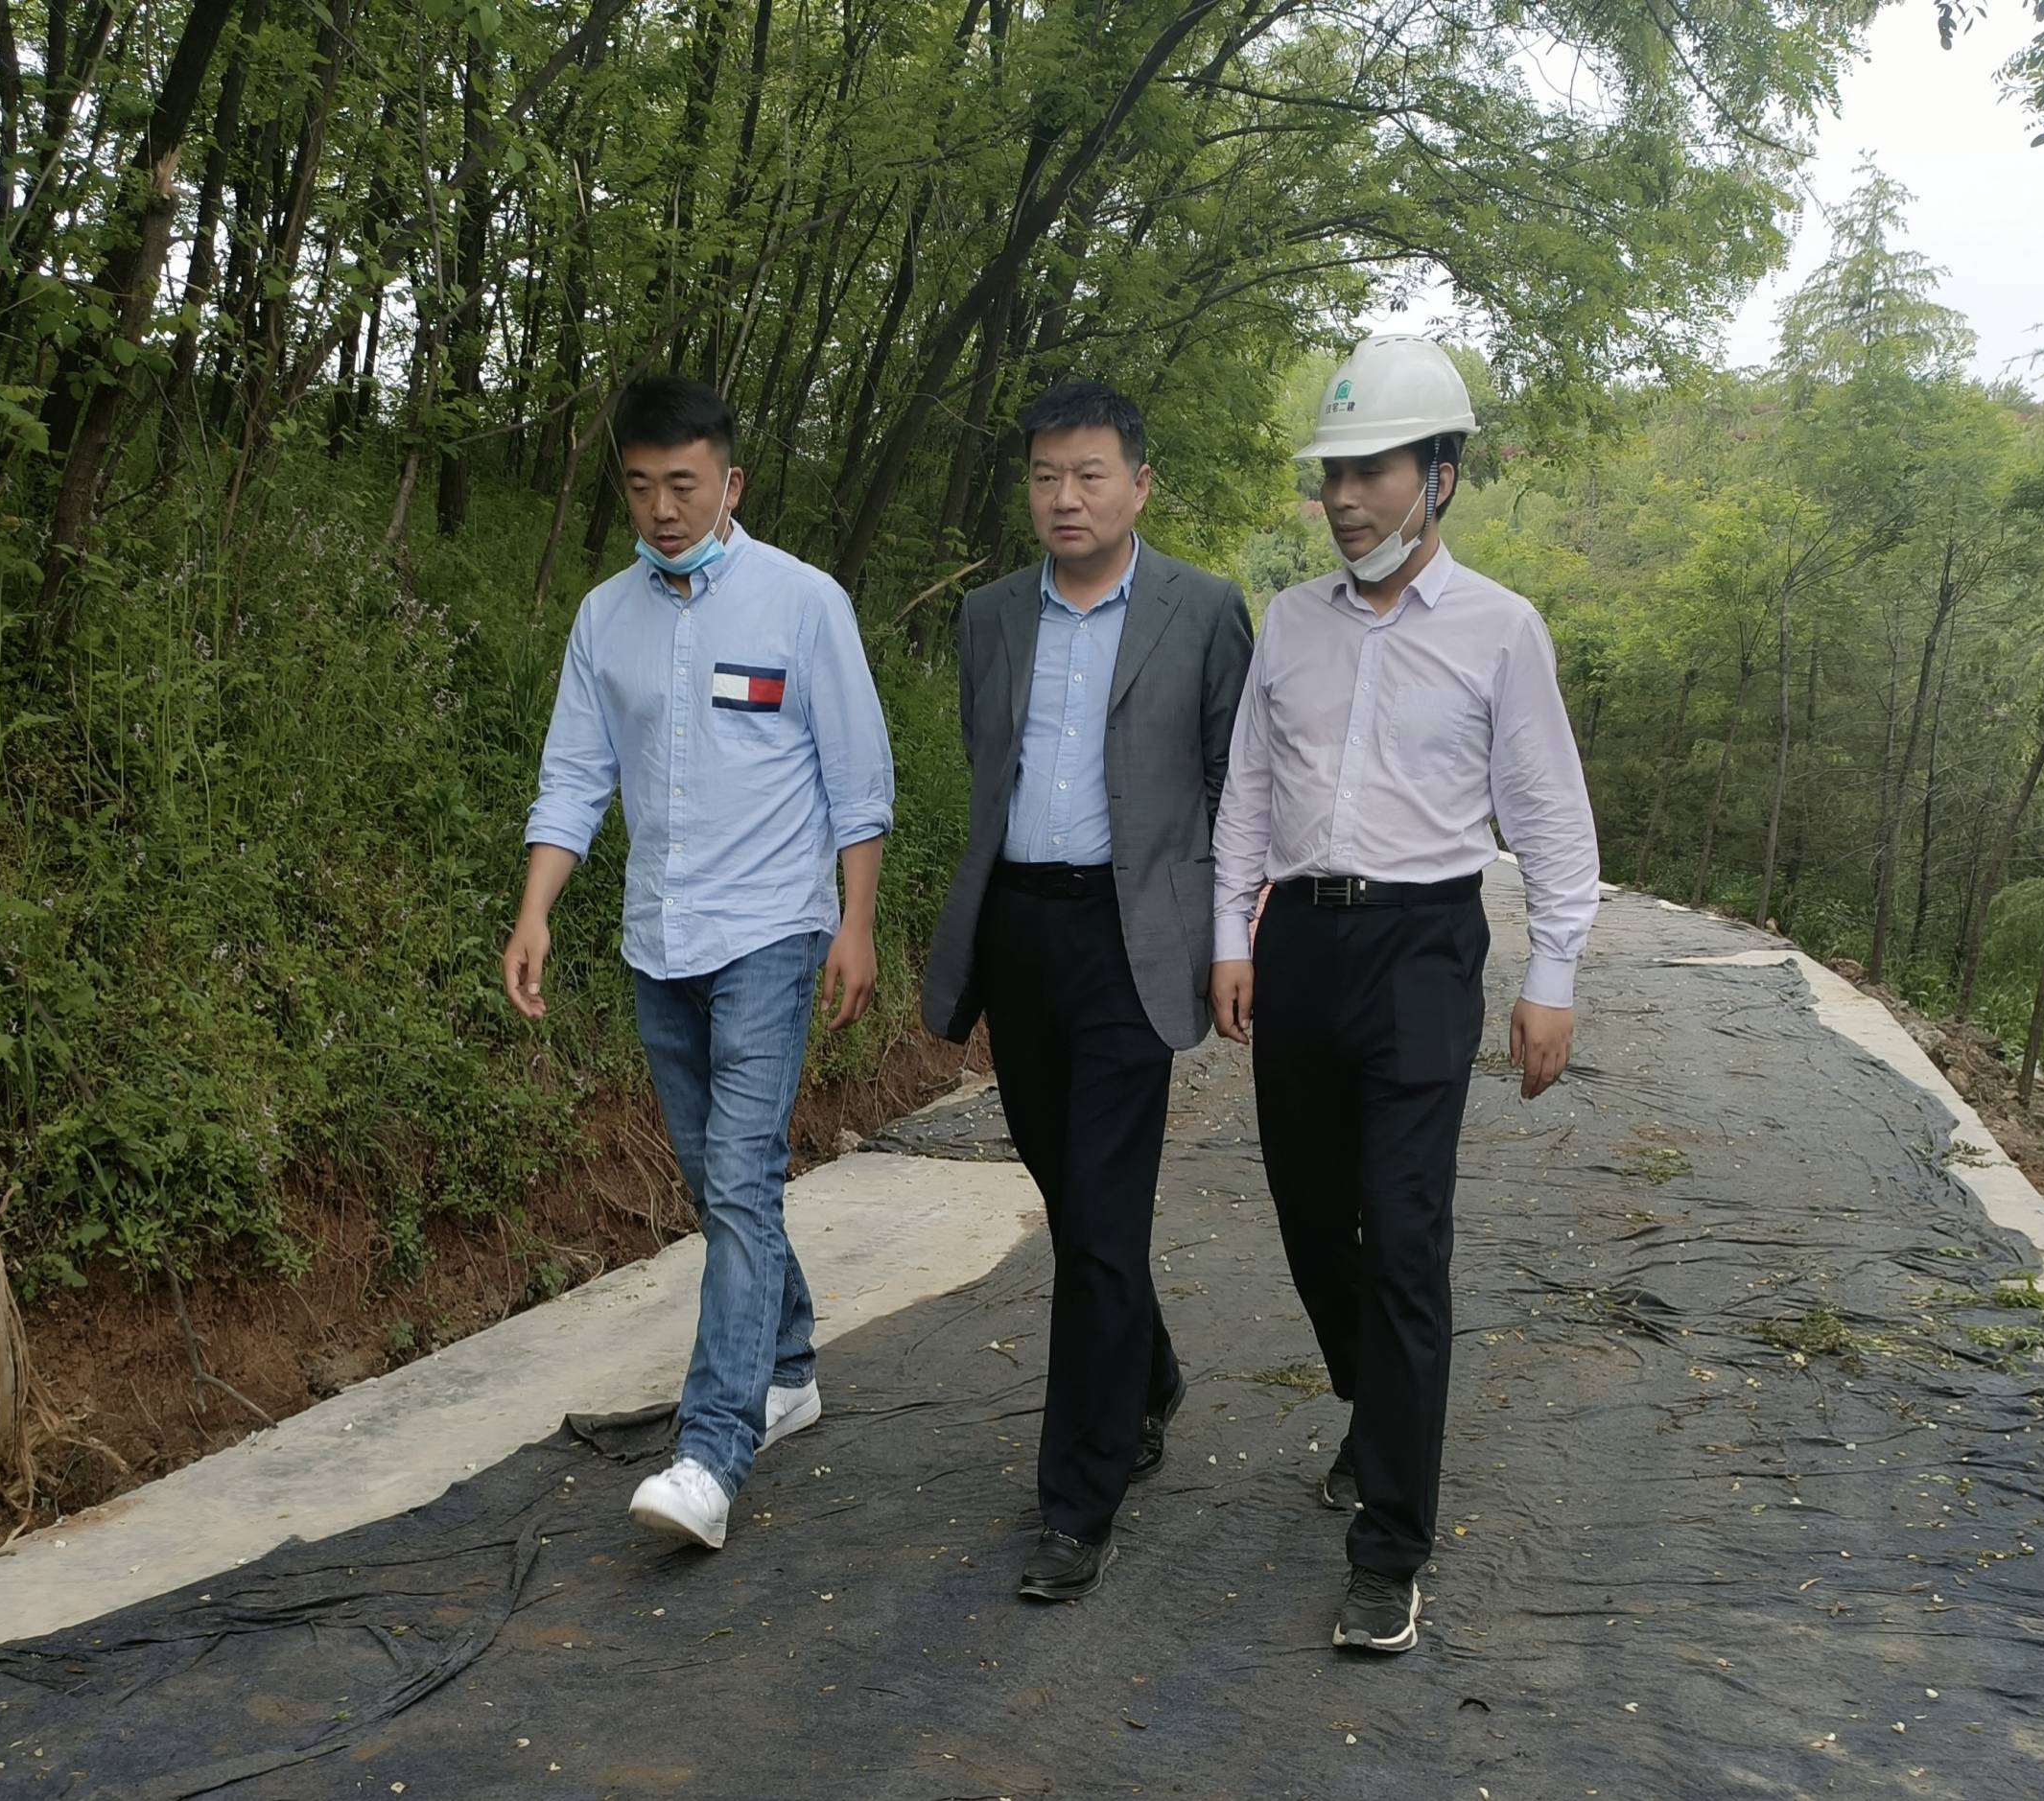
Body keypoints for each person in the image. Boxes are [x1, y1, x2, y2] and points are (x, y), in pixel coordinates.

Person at [1209, 336, 1599, 1653]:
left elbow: (1551, 817)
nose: (1343, 498)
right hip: (1301, 947)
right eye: (1331, 475)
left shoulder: (1500, 629)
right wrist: (1230, 934)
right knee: (1314, 1219)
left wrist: (1551, 976)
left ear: (1439, 474)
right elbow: (1246, 792)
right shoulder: (1290, 623)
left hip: (1425, 947)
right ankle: (1377, 1410)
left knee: (1407, 1231)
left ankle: (1390, 1546)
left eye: (1369, 472)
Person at [502, 374, 894, 1553]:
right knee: (722, 1182)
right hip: (657, 940)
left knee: (738, 1179)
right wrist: (534, 912)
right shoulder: (603, 619)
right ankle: (789, 1365)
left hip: (770, 930)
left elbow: (857, 778)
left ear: (731, 482)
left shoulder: (803, 603)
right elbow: (574, 776)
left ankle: (712, 1453)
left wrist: (856, 923)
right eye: (640, 487)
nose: (662, 509)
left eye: (684, 484)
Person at [922, 379, 1255, 1602]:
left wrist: (1230, 937)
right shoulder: (989, 616)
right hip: (1021, 930)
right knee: (1071, 1197)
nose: (1065, 497)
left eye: (1090, 474)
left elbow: (1234, 785)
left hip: (1135, 941)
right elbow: (985, 762)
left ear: (1139, 485)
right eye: (1045, 476)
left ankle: (1078, 1502)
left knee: (1104, 1220)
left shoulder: (1203, 611)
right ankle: (1147, 1372)